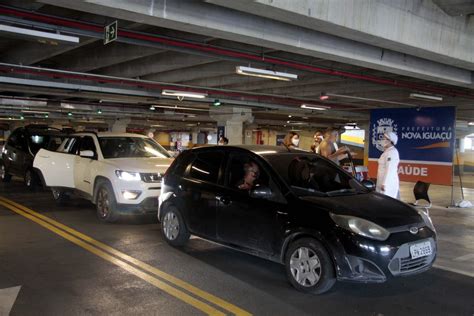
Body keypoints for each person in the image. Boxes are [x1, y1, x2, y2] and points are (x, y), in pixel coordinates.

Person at [376, 132, 400, 199]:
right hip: (382, 181)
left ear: (390, 141)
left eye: (384, 138)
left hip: (388, 184)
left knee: (386, 202)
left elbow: (389, 169)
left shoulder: (392, 152)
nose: (382, 140)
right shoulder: (387, 151)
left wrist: (384, 184)